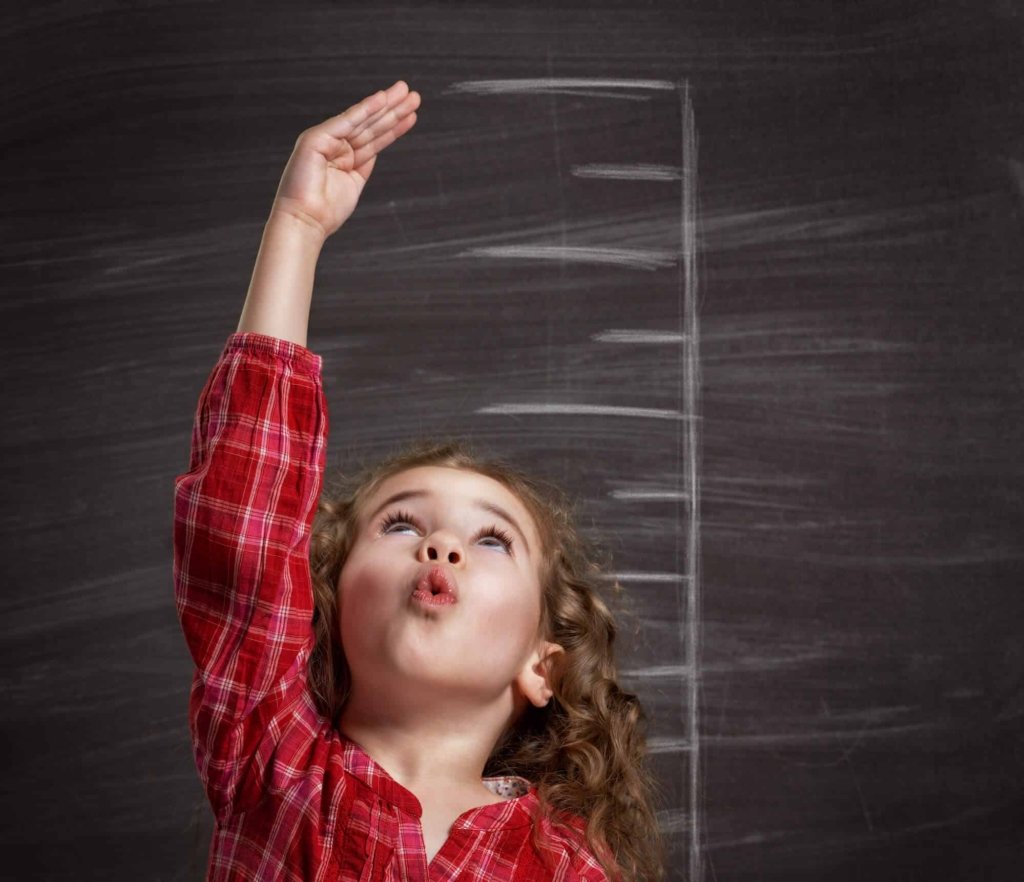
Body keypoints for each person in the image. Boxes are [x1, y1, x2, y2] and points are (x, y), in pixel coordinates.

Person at [173, 80, 665, 882]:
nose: (440, 545)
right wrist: (297, 228)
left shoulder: (568, 865)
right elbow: (246, 525)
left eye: (492, 539)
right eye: (400, 524)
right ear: (328, 610)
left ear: (542, 666)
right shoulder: (273, 759)